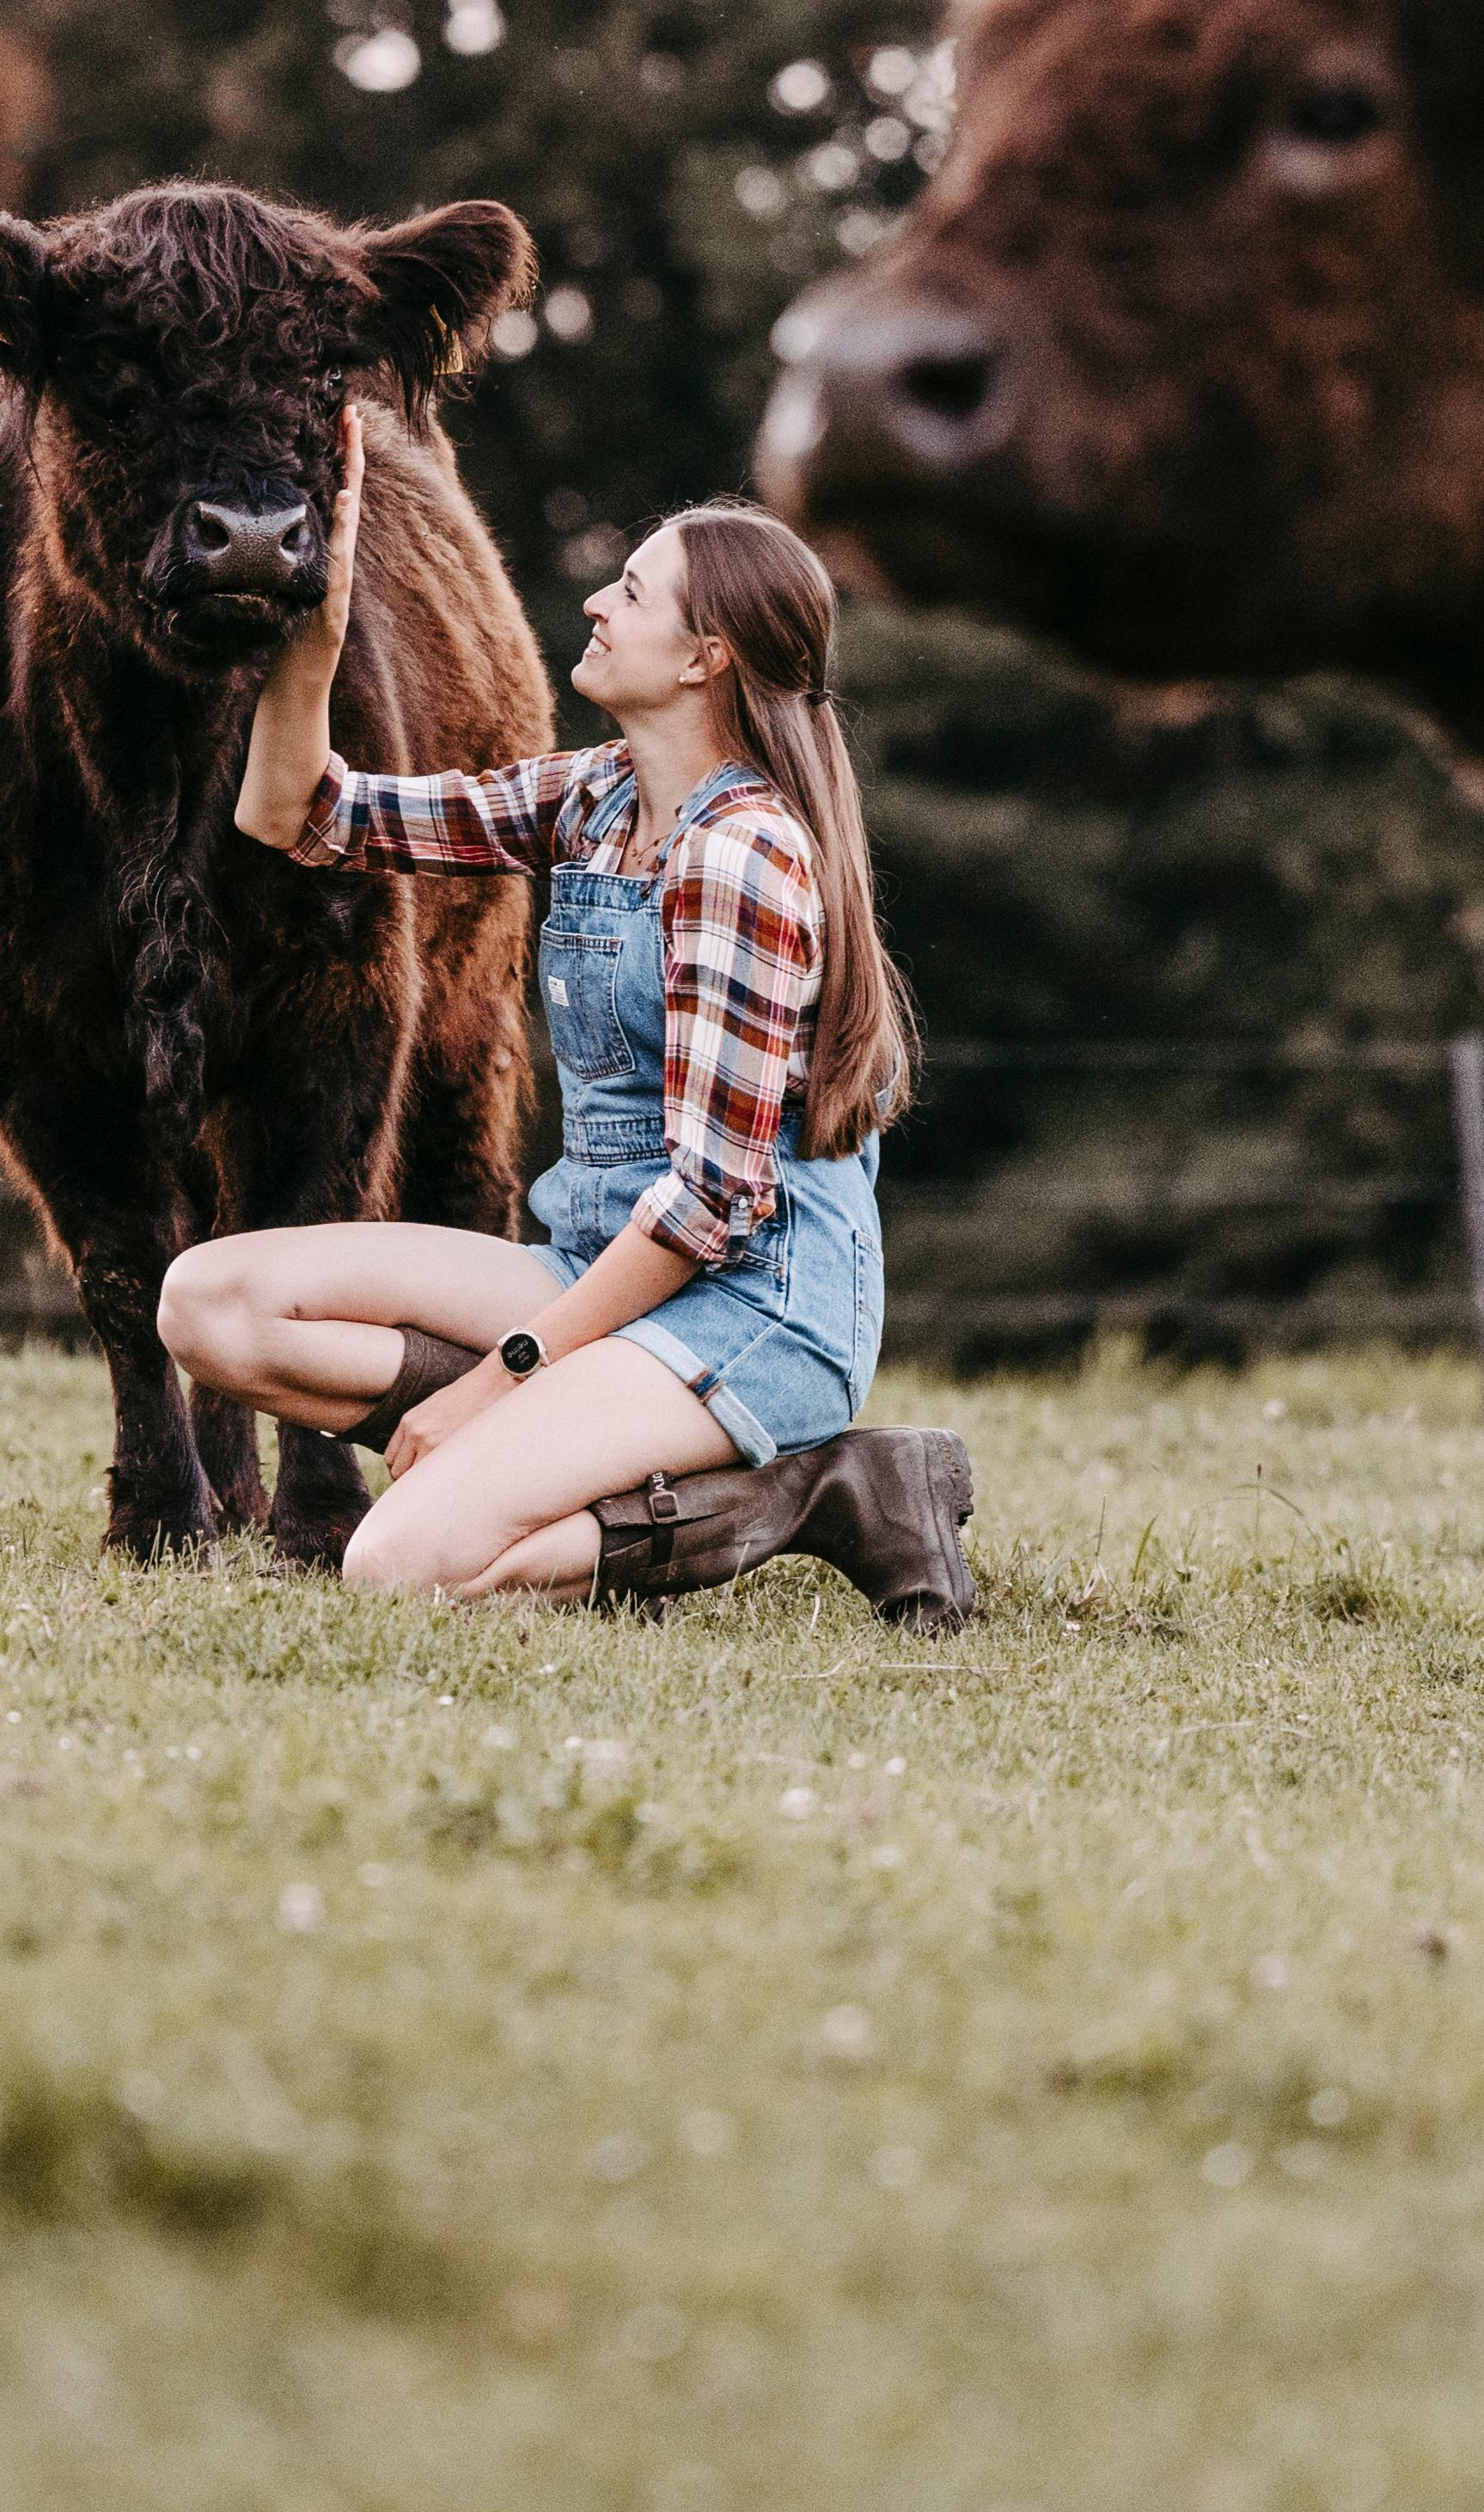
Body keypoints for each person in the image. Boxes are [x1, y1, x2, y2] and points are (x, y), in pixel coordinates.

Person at [159, 414, 977, 1626]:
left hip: (750, 1310)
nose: (596, 600)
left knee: (397, 1563)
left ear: (705, 656)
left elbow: (708, 1209)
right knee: (207, 1305)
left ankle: (813, 1490)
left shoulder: (737, 857)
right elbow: (302, 813)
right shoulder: (594, 798)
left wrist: (496, 1380)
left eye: (632, 591)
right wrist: (314, 638)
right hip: (597, 1269)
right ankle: (553, 1437)